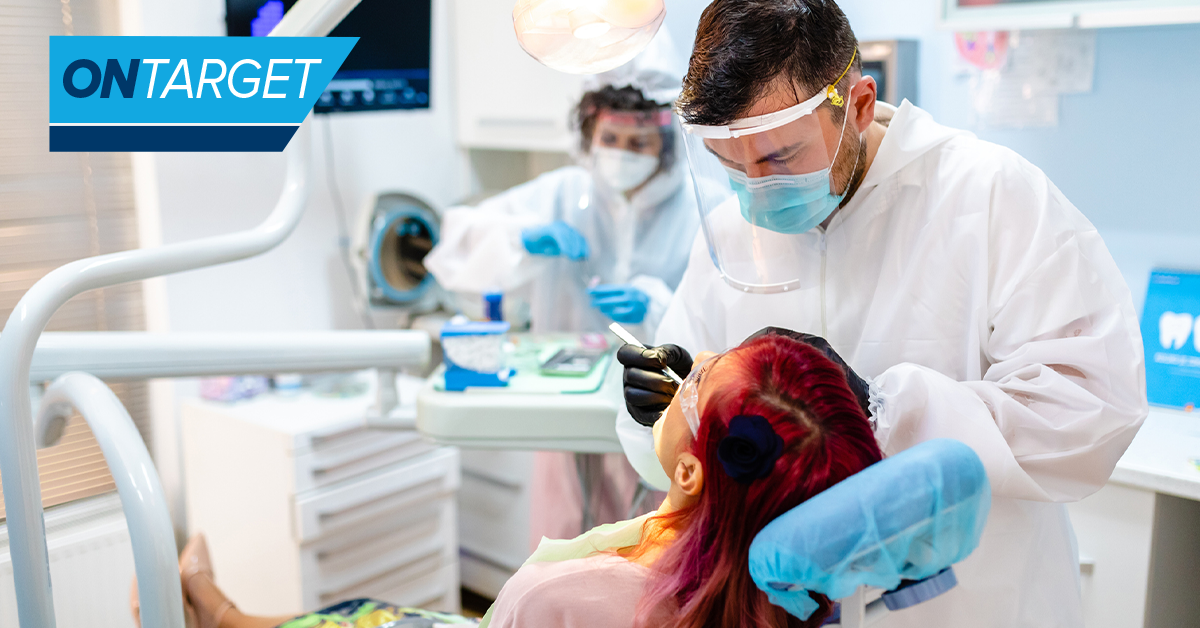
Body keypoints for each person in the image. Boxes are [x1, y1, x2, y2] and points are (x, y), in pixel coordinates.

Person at [615, 1, 1148, 627]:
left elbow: (1091, 411)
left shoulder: (989, 197)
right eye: (733, 167)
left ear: (859, 106)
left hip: (970, 605)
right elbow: (689, 451)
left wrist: (882, 411)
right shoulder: (736, 231)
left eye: (780, 159)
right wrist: (668, 402)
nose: (756, 190)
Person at [155, 334, 881, 628]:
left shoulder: (559, 600)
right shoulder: (798, 599)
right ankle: (219, 608)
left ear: (690, 471)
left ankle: (206, 607)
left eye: (694, 379)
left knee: (354, 616)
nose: (680, 376)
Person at [424, 32, 701, 544]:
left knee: (646, 554)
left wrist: (654, 303)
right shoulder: (563, 193)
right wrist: (521, 239)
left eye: (638, 143)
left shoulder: (694, 209)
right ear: (588, 134)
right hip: (564, 414)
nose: (622, 153)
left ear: (664, 144)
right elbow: (455, 244)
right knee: (561, 552)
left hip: (654, 415)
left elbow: (713, 315)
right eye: (610, 139)